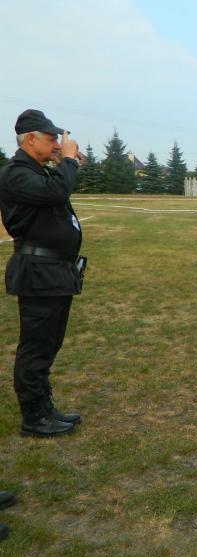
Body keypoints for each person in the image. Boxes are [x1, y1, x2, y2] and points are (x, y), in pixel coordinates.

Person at [0, 109, 86, 437]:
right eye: (51, 139)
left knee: (49, 344)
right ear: (30, 140)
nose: (56, 144)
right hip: (38, 272)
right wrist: (68, 162)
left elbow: (56, 191)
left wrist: (66, 164)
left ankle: (44, 407)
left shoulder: (38, 172)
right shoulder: (16, 174)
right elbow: (56, 193)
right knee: (36, 346)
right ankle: (34, 417)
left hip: (54, 271)